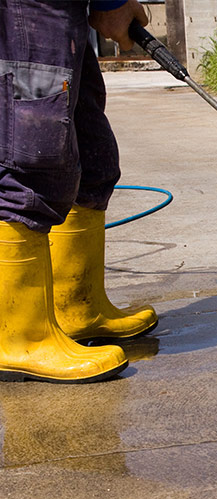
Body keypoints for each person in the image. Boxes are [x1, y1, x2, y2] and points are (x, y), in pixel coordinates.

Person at [0, 0, 157, 383]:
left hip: (58, 9)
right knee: (33, 157)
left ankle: (77, 307)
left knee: (93, 154)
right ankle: (22, 336)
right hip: (31, 10)